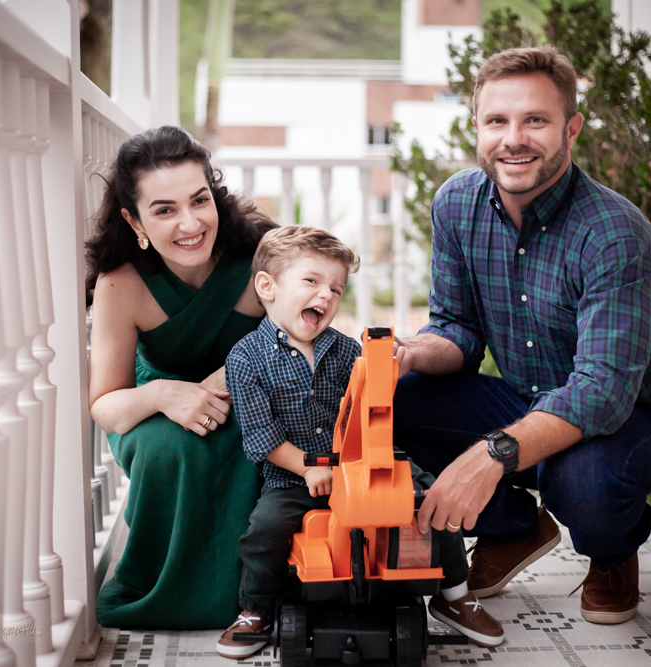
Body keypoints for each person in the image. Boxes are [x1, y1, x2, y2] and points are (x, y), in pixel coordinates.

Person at [393, 45, 651, 625]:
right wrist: (413, 353)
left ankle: (610, 555)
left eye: (535, 120)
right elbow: (458, 329)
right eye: (497, 121)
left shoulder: (614, 231)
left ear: (571, 129)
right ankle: (515, 527)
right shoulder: (456, 204)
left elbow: (601, 391)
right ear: (476, 127)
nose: (514, 139)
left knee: (583, 482)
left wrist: (492, 454)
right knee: (392, 404)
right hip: (524, 399)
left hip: (626, 421)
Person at [216, 226, 504, 660]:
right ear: (267, 286)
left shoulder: (346, 349)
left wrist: (386, 373)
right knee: (265, 530)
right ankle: (255, 610)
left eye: (336, 289)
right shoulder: (245, 358)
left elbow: (370, 408)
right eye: (311, 281)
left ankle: (455, 595)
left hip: (362, 465)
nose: (326, 295)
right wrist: (309, 468)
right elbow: (262, 436)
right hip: (294, 477)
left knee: (430, 498)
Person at [87, 126, 277, 629]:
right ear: (134, 220)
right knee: (167, 448)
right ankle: (169, 591)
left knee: (263, 437)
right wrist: (162, 394)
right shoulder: (121, 283)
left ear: (215, 196)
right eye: (165, 210)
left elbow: (308, 338)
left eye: (199, 200)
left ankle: (260, 589)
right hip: (152, 402)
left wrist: (241, 372)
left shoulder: (259, 258)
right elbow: (105, 405)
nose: (190, 223)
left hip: (250, 394)